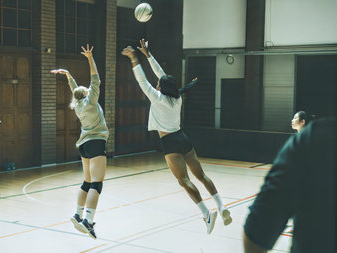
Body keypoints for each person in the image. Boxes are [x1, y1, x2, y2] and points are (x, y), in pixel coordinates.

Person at [121, 39, 231, 235]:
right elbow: (163, 77)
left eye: (158, 85)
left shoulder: (157, 97)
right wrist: (148, 54)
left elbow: (142, 81)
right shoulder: (176, 97)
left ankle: (206, 214)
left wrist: (134, 58)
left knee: (184, 181)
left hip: (170, 142)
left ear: (161, 88)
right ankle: (221, 207)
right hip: (183, 138)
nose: (156, 84)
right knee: (202, 176)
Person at [243, 118, 335, 253]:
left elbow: (258, 226)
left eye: (295, 119)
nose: (292, 121)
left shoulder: (314, 137)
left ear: (302, 122)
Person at [51, 44, 109, 240]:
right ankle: (88, 221)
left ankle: (77, 214)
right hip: (95, 142)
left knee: (87, 181)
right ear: (86, 93)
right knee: (97, 184)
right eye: (85, 89)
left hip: (84, 145)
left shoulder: (77, 104)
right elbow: (95, 78)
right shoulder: (90, 101)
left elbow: (74, 88)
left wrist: (68, 74)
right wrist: (90, 59)